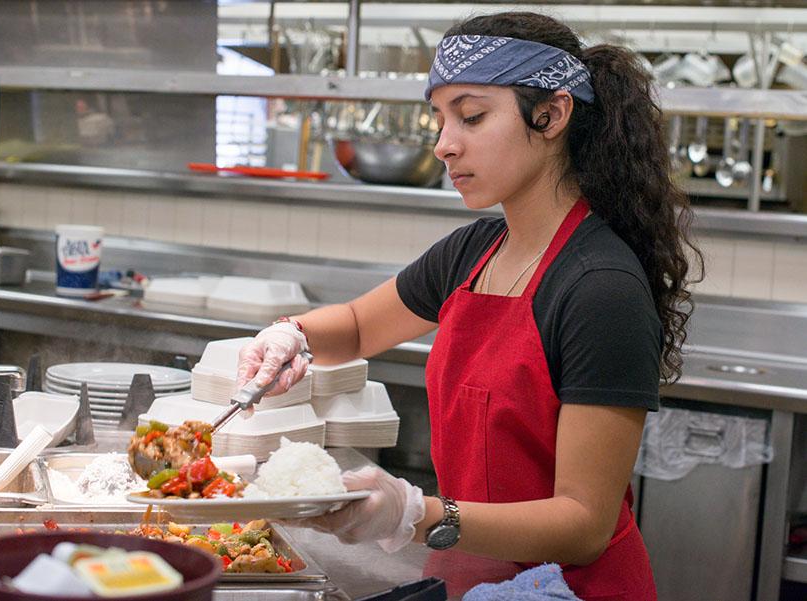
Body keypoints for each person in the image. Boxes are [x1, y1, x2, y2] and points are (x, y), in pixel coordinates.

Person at [237, 11, 701, 601]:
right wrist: (292, 336)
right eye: (440, 118)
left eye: (472, 115)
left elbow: (585, 524)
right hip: (476, 576)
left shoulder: (600, 288)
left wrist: (416, 514)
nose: (444, 144)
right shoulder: (473, 253)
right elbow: (355, 328)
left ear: (552, 115)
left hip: (569, 589)